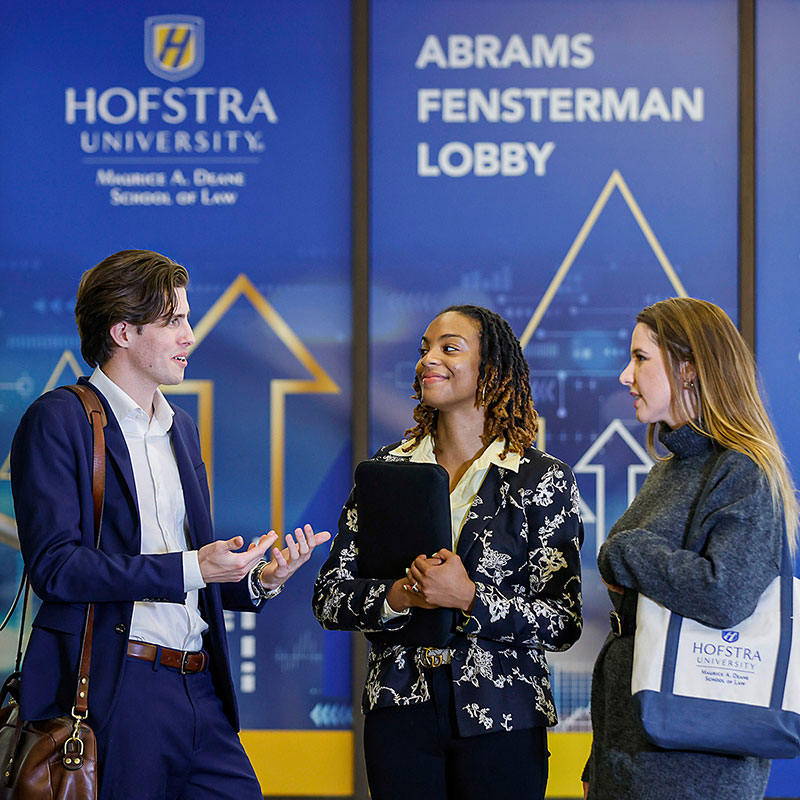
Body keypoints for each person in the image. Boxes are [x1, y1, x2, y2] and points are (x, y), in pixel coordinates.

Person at [10, 249, 330, 800]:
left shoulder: (180, 426)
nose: (190, 335)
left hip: (199, 688)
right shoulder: (59, 418)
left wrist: (257, 579)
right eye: (174, 320)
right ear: (123, 332)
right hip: (118, 689)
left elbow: (186, 575)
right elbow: (56, 568)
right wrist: (194, 566)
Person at [313, 304, 583, 800]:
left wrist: (469, 599)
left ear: (491, 369)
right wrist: (398, 595)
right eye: (424, 349)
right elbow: (329, 598)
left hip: (504, 716)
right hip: (399, 713)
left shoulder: (541, 478)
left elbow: (562, 622)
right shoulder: (386, 471)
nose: (428, 359)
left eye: (449, 348)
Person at [582, 297, 799, 800]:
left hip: (695, 769)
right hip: (629, 755)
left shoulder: (743, 470)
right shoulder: (670, 470)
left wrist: (628, 551)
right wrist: (599, 761)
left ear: (690, 369)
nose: (625, 376)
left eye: (640, 358)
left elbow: (725, 595)